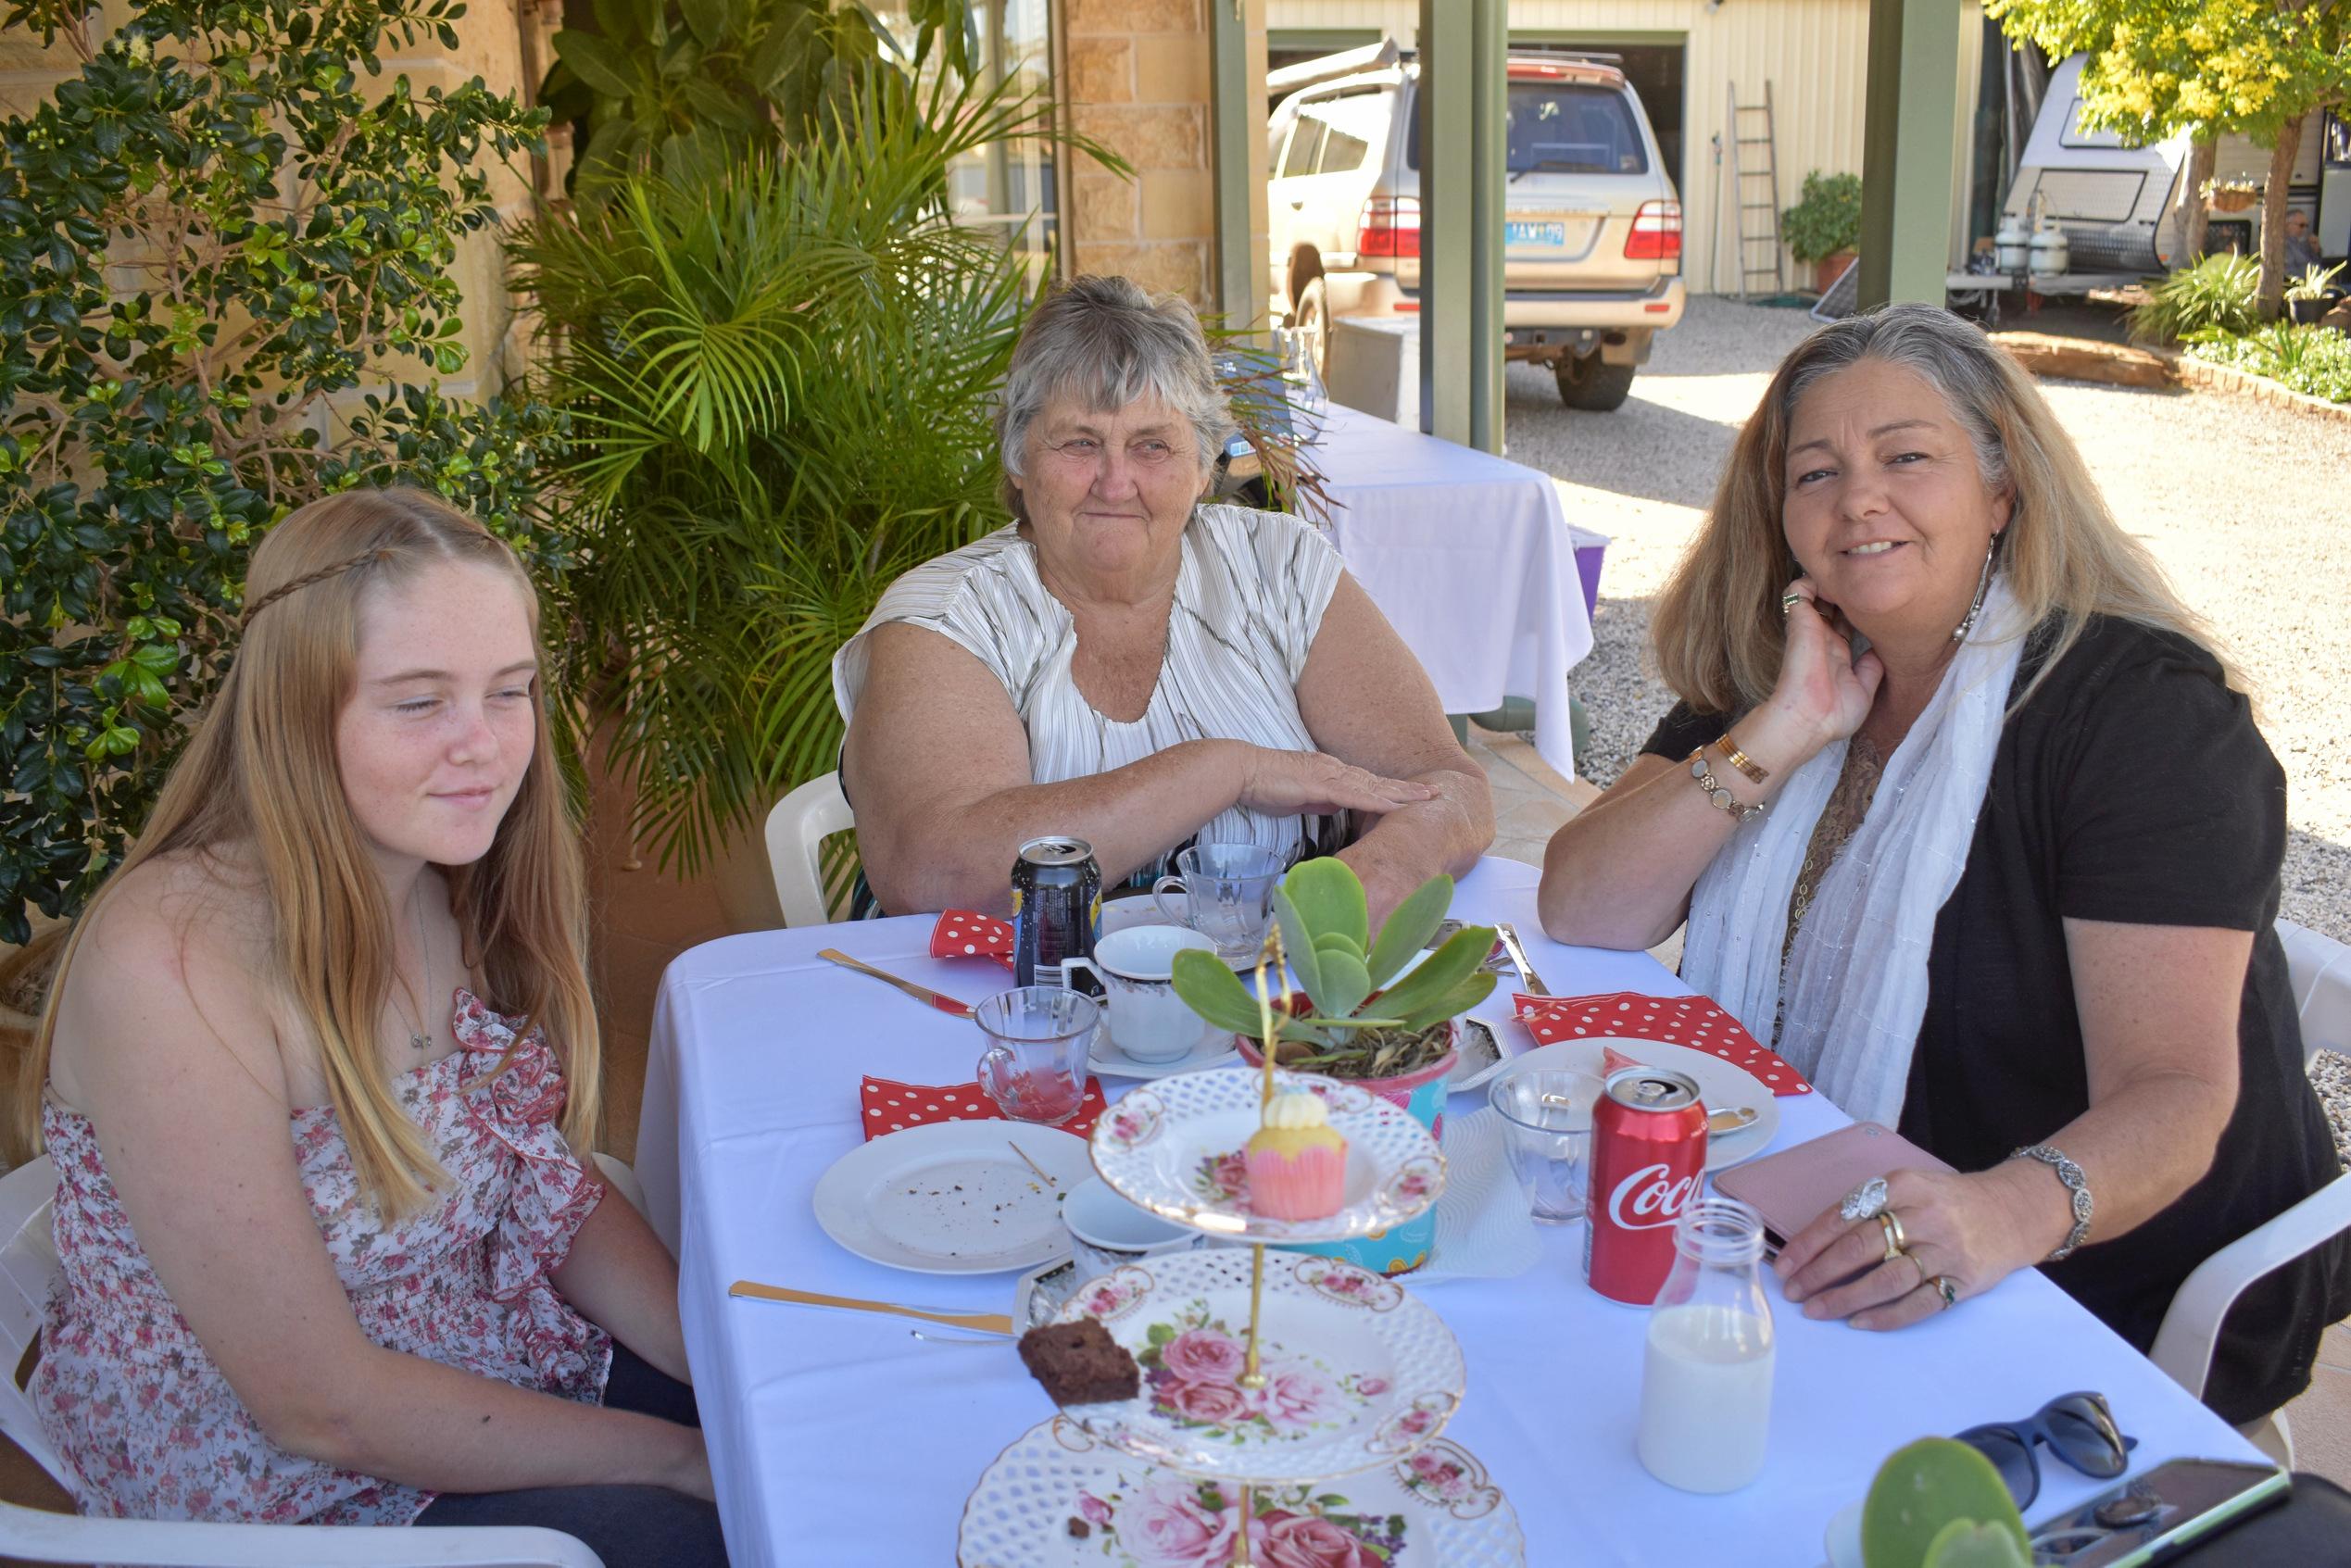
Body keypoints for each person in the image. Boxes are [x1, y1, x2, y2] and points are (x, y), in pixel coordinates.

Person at [1537, 305, 2345, 1424]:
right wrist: (1781, 733)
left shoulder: (2141, 717)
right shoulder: (1792, 660)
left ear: (2002, 489)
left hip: (2087, 1273)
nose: (1858, 498)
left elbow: (2176, 1095)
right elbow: (1585, 904)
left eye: (1906, 457)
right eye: (1815, 472)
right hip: (1823, 1204)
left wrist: (2001, 1212)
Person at [18, 489, 725, 1563]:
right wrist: (675, 1457)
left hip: (479, 1361)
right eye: (417, 701)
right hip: (289, 1494)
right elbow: (318, 1403)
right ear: (298, 710)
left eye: (512, 691)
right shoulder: (169, 964)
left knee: (807, 1435)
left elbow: (544, 1187)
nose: (483, 746)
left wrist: (732, 1368)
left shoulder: (445, 884)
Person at [833, 275, 1491, 926]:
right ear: (1018, 458)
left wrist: (1394, 861)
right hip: (1005, 1012)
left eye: (1153, 445)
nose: (1116, 483)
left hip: (1267, 1002)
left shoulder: (1281, 566)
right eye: (1080, 443)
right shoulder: (947, 616)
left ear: (1204, 465)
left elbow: (1450, 787)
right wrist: (1230, 769)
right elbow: (938, 873)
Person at [2282, 208, 2325, 278]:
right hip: (2309, 284)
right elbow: (2289, 273)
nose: (2305, 229)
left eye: (2306, 226)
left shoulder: (2303, 242)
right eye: (2301, 225)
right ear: (2287, 225)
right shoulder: (2284, 245)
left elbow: (2317, 264)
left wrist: (2316, 251)